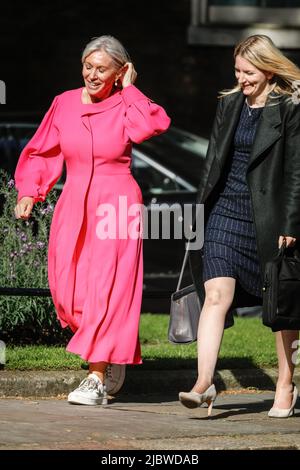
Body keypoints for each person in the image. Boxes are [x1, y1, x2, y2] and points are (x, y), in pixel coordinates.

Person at [14, 35, 171, 405]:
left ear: (120, 72)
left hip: (116, 203)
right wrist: (29, 191)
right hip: (73, 202)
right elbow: (43, 150)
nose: (92, 74)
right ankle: (112, 348)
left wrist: (131, 90)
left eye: (102, 68)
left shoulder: (126, 104)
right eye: (88, 66)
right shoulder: (64, 103)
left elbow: (153, 124)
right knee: (69, 290)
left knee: (106, 288)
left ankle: (96, 376)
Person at [179, 35, 300, 418]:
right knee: (215, 295)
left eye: (248, 72)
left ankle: (285, 382)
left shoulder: (289, 107)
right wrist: (199, 214)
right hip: (224, 213)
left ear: (268, 69)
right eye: (237, 71)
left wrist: (291, 220)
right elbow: (212, 163)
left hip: (269, 217)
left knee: (280, 305)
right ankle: (204, 382)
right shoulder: (229, 103)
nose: (241, 78)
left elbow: (297, 170)